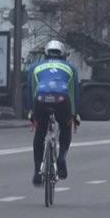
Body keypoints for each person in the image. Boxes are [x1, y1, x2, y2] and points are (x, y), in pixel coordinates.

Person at [26, 40, 80, 187]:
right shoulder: (70, 68)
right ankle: (61, 156)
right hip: (62, 100)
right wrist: (75, 114)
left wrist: (31, 112)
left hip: (41, 100)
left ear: (46, 53)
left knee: (40, 132)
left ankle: (38, 171)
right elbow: (74, 92)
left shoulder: (35, 68)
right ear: (63, 55)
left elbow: (31, 90)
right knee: (65, 126)